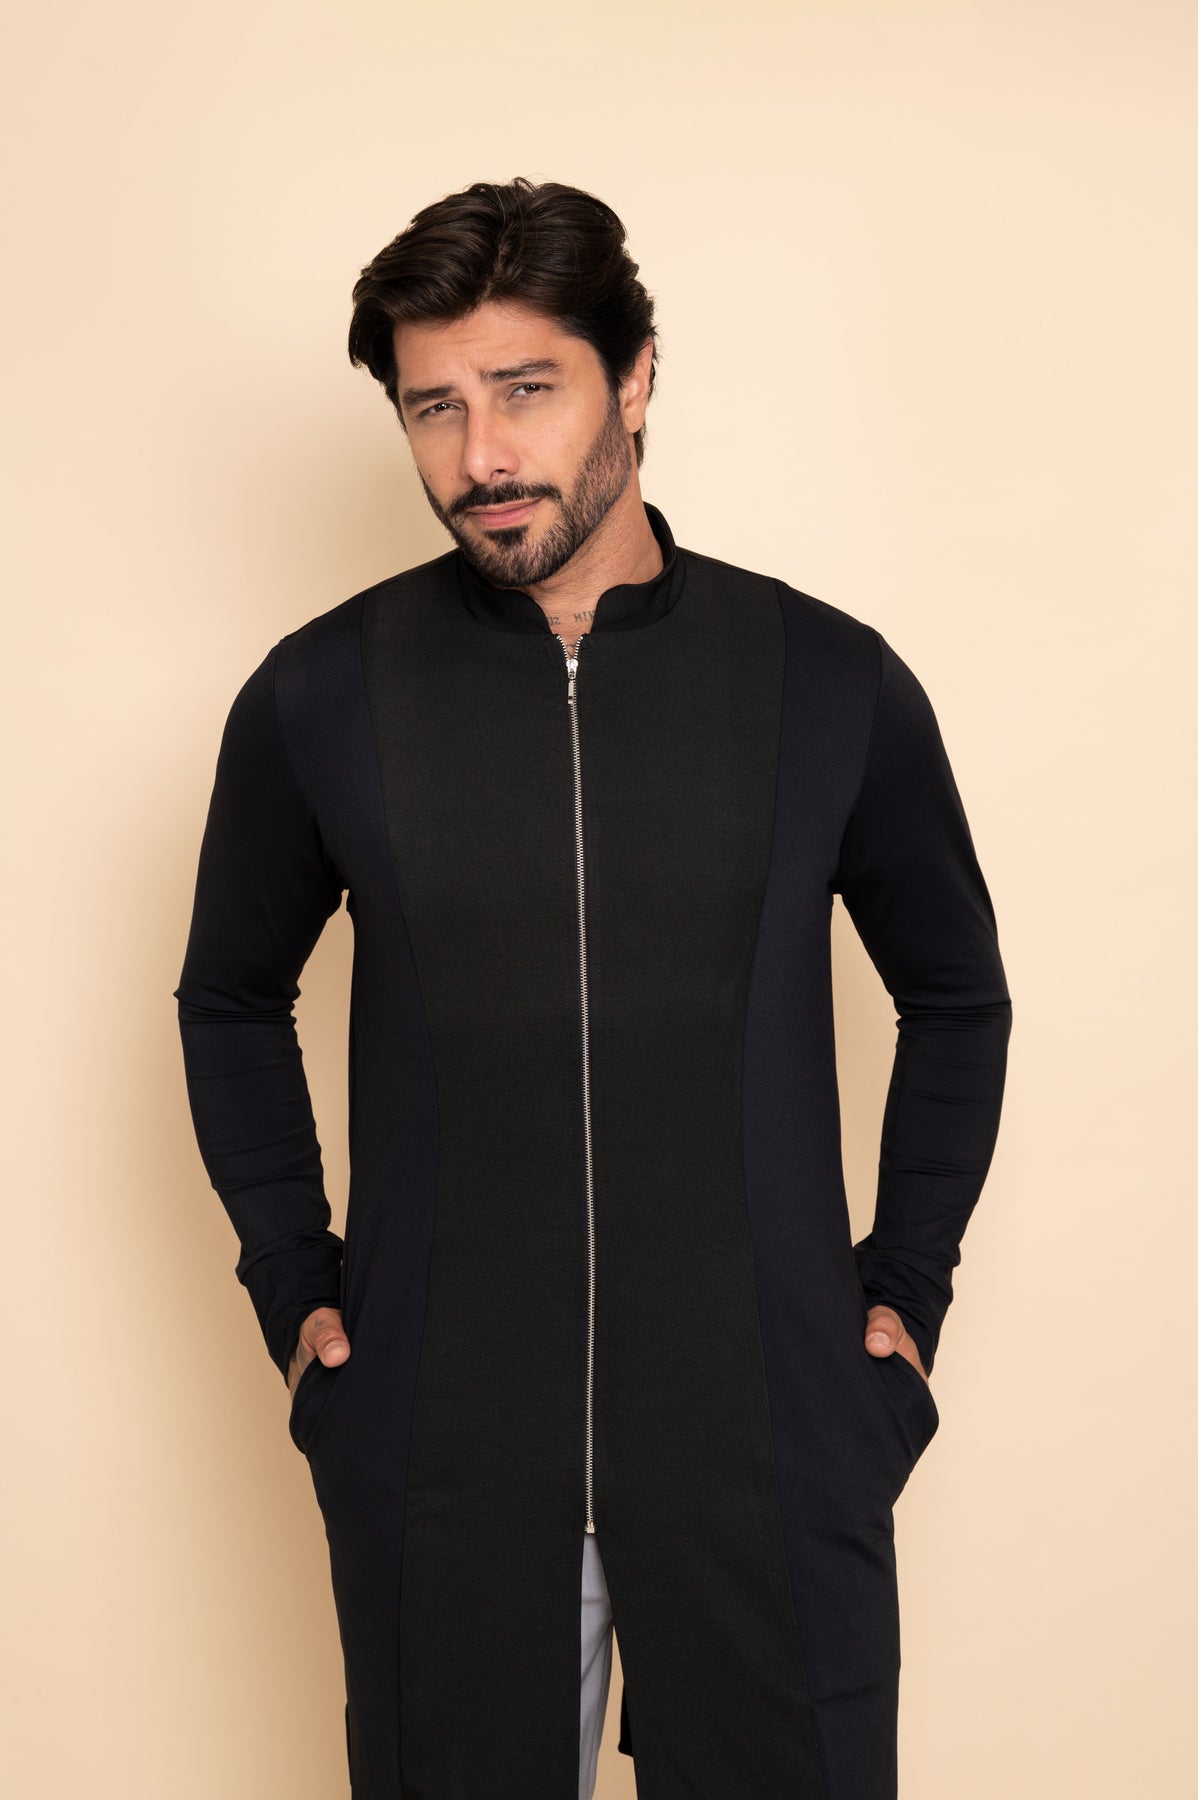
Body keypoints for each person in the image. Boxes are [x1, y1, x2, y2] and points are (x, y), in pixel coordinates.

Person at [173, 176, 1012, 1800]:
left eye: (525, 389)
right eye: (434, 406)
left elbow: (956, 996)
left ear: (633, 378)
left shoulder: (822, 680)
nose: (480, 455)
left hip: (769, 1442)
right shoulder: (323, 694)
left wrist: (905, 1292)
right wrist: (294, 1285)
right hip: (441, 1448)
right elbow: (228, 996)